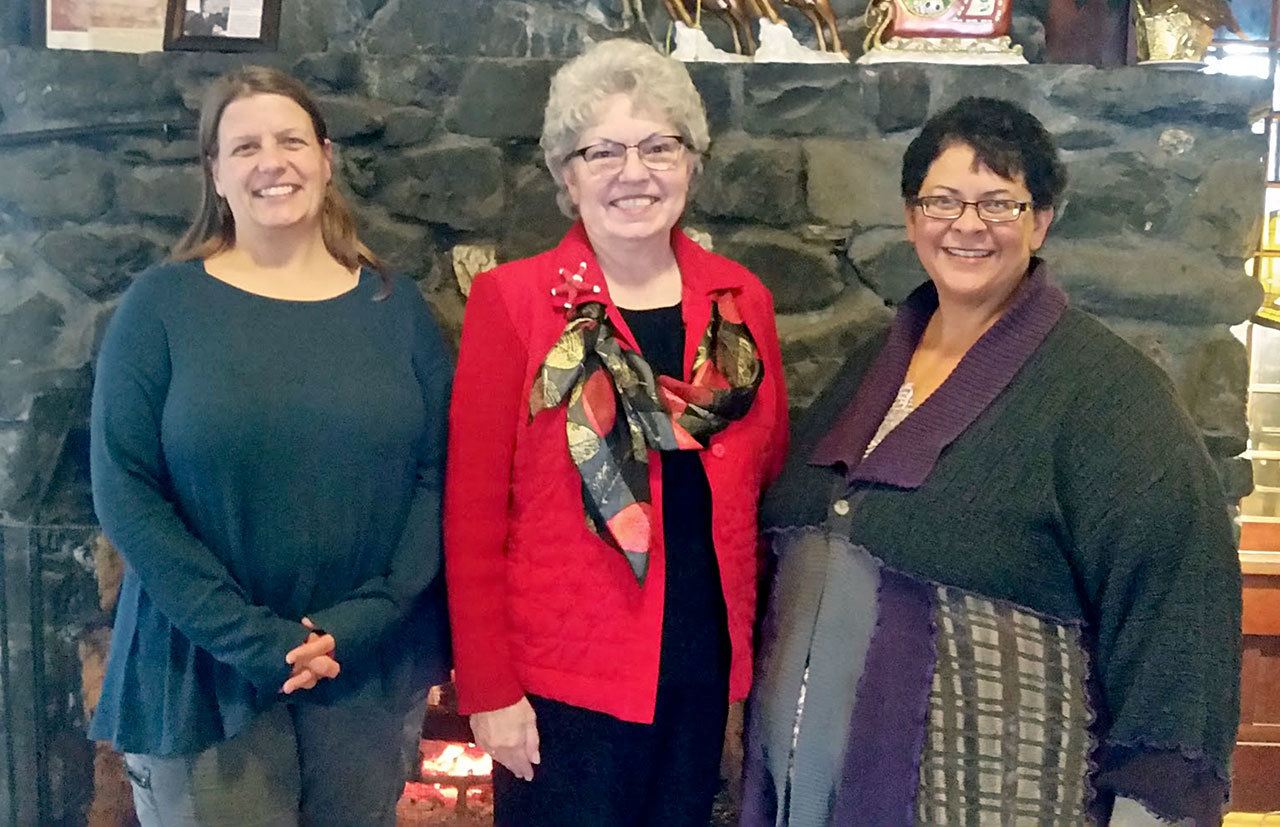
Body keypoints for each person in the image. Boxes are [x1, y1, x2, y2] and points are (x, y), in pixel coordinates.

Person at [743, 97, 1242, 827]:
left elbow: (1179, 622)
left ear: (1041, 221)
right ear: (913, 218)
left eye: (999, 202)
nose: (967, 224)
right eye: (942, 200)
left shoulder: (1110, 398)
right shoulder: (864, 371)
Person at [89, 66, 451, 826]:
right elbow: (125, 488)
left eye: (291, 140)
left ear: (325, 158)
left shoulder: (396, 307)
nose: (271, 161)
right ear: (216, 172)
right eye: (244, 145)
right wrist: (255, 638)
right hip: (202, 670)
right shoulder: (161, 305)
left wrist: (359, 622)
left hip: (363, 669)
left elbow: (437, 473)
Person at [444, 38, 789, 827]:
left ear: (692, 163)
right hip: (559, 688)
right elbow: (471, 512)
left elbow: (764, 469)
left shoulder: (742, 303)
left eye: (659, 146)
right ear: (567, 175)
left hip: (699, 674)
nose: (635, 173)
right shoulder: (514, 303)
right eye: (603, 151)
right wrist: (489, 688)